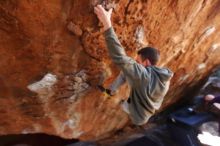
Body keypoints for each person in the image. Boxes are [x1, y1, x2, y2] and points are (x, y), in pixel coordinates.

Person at [94, 5, 173, 125]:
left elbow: (119, 57)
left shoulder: (144, 77)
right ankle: (110, 91)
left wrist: (107, 22)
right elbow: (134, 70)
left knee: (128, 71)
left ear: (146, 62)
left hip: (137, 115)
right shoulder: (164, 76)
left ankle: (126, 104)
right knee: (127, 71)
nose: (136, 63)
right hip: (147, 107)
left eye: (138, 61)